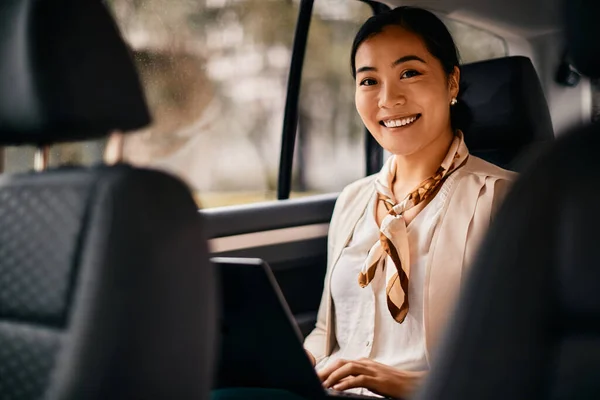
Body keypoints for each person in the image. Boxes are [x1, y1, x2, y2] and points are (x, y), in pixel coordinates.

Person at [303, 6, 516, 399]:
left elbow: (521, 363)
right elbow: (325, 332)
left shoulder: (504, 199)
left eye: (409, 73)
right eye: (369, 81)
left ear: (452, 82)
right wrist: (300, 363)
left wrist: (399, 382)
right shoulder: (352, 200)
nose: (388, 99)